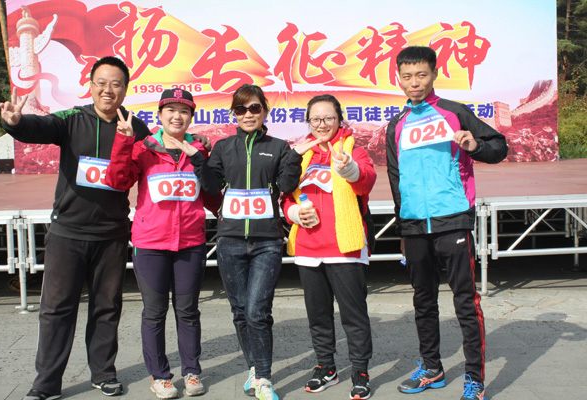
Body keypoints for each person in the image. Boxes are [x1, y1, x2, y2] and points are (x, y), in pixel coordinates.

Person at [0, 56, 150, 400]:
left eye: (115, 84)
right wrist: (16, 123)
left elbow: (153, 159)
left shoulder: (135, 127)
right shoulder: (72, 119)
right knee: (56, 310)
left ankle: (103, 373)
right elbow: (41, 126)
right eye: (101, 83)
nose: (108, 90)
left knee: (107, 308)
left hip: (111, 235)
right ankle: (46, 383)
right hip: (67, 233)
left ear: (125, 89)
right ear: (91, 86)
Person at [177, 84, 320, 400]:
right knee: (241, 311)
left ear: (264, 111)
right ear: (234, 114)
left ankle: (264, 378)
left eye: (254, 108)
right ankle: (255, 369)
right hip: (229, 241)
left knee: (257, 311)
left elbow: (286, 185)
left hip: (267, 241)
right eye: (241, 109)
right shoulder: (223, 147)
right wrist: (198, 159)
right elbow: (211, 187)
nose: (248, 114)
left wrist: (294, 157)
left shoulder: (278, 147)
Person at [385, 46, 508, 400]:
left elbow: (499, 147)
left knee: (465, 302)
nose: (414, 82)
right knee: (423, 301)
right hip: (414, 225)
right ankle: (432, 368)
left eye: (421, 75)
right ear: (399, 78)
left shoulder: (455, 112)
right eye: (407, 76)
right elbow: (395, 178)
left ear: (434, 74)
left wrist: (474, 146)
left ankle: (474, 380)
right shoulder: (396, 125)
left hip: (452, 219)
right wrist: (403, 228)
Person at [105, 89, 217, 398]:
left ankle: (192, 372)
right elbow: (118, 180)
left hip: (191, 242)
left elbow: (211, 192)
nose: (177, 116)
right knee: (154, 313)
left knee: (188, 311)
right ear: (160, 115)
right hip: (151, 243)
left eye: (184, 111)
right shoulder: (143, 148)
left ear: (191, 116)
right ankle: (160, 376)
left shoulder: (199, 150)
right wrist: (123, 141)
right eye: (171, 110)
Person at [282, 94, 377, 400]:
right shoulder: (301, 154)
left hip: (345, 249)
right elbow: (286, 195)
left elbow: (366, 181)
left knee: (354, 315)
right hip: (308, 249)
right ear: (308, 122)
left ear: (339, 120)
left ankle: (360, 371)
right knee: (318, 316)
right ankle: (326, 367)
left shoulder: (353, 150)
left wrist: (348, 168)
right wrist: (294, 213)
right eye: (315, 119)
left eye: (328, 119)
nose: (322, 125)